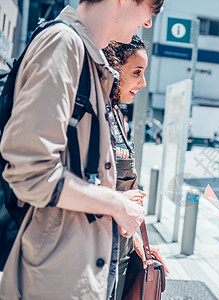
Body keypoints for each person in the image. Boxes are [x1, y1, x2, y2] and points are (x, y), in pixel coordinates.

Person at [0, 0, 164, 299]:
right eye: (150, 9)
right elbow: (31, 173)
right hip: (55, 275)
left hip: (73, 268)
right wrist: (117, 204)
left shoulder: (87, 58)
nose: (148, 22)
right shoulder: (63, 45)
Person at [103, 34, 168, 300]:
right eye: (136, 72)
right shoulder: (93, 113)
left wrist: (138, 242)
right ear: (113, 69)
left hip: (119, 251)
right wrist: (118, 201)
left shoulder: (115, 113)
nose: (143, 83)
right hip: (96, 254)